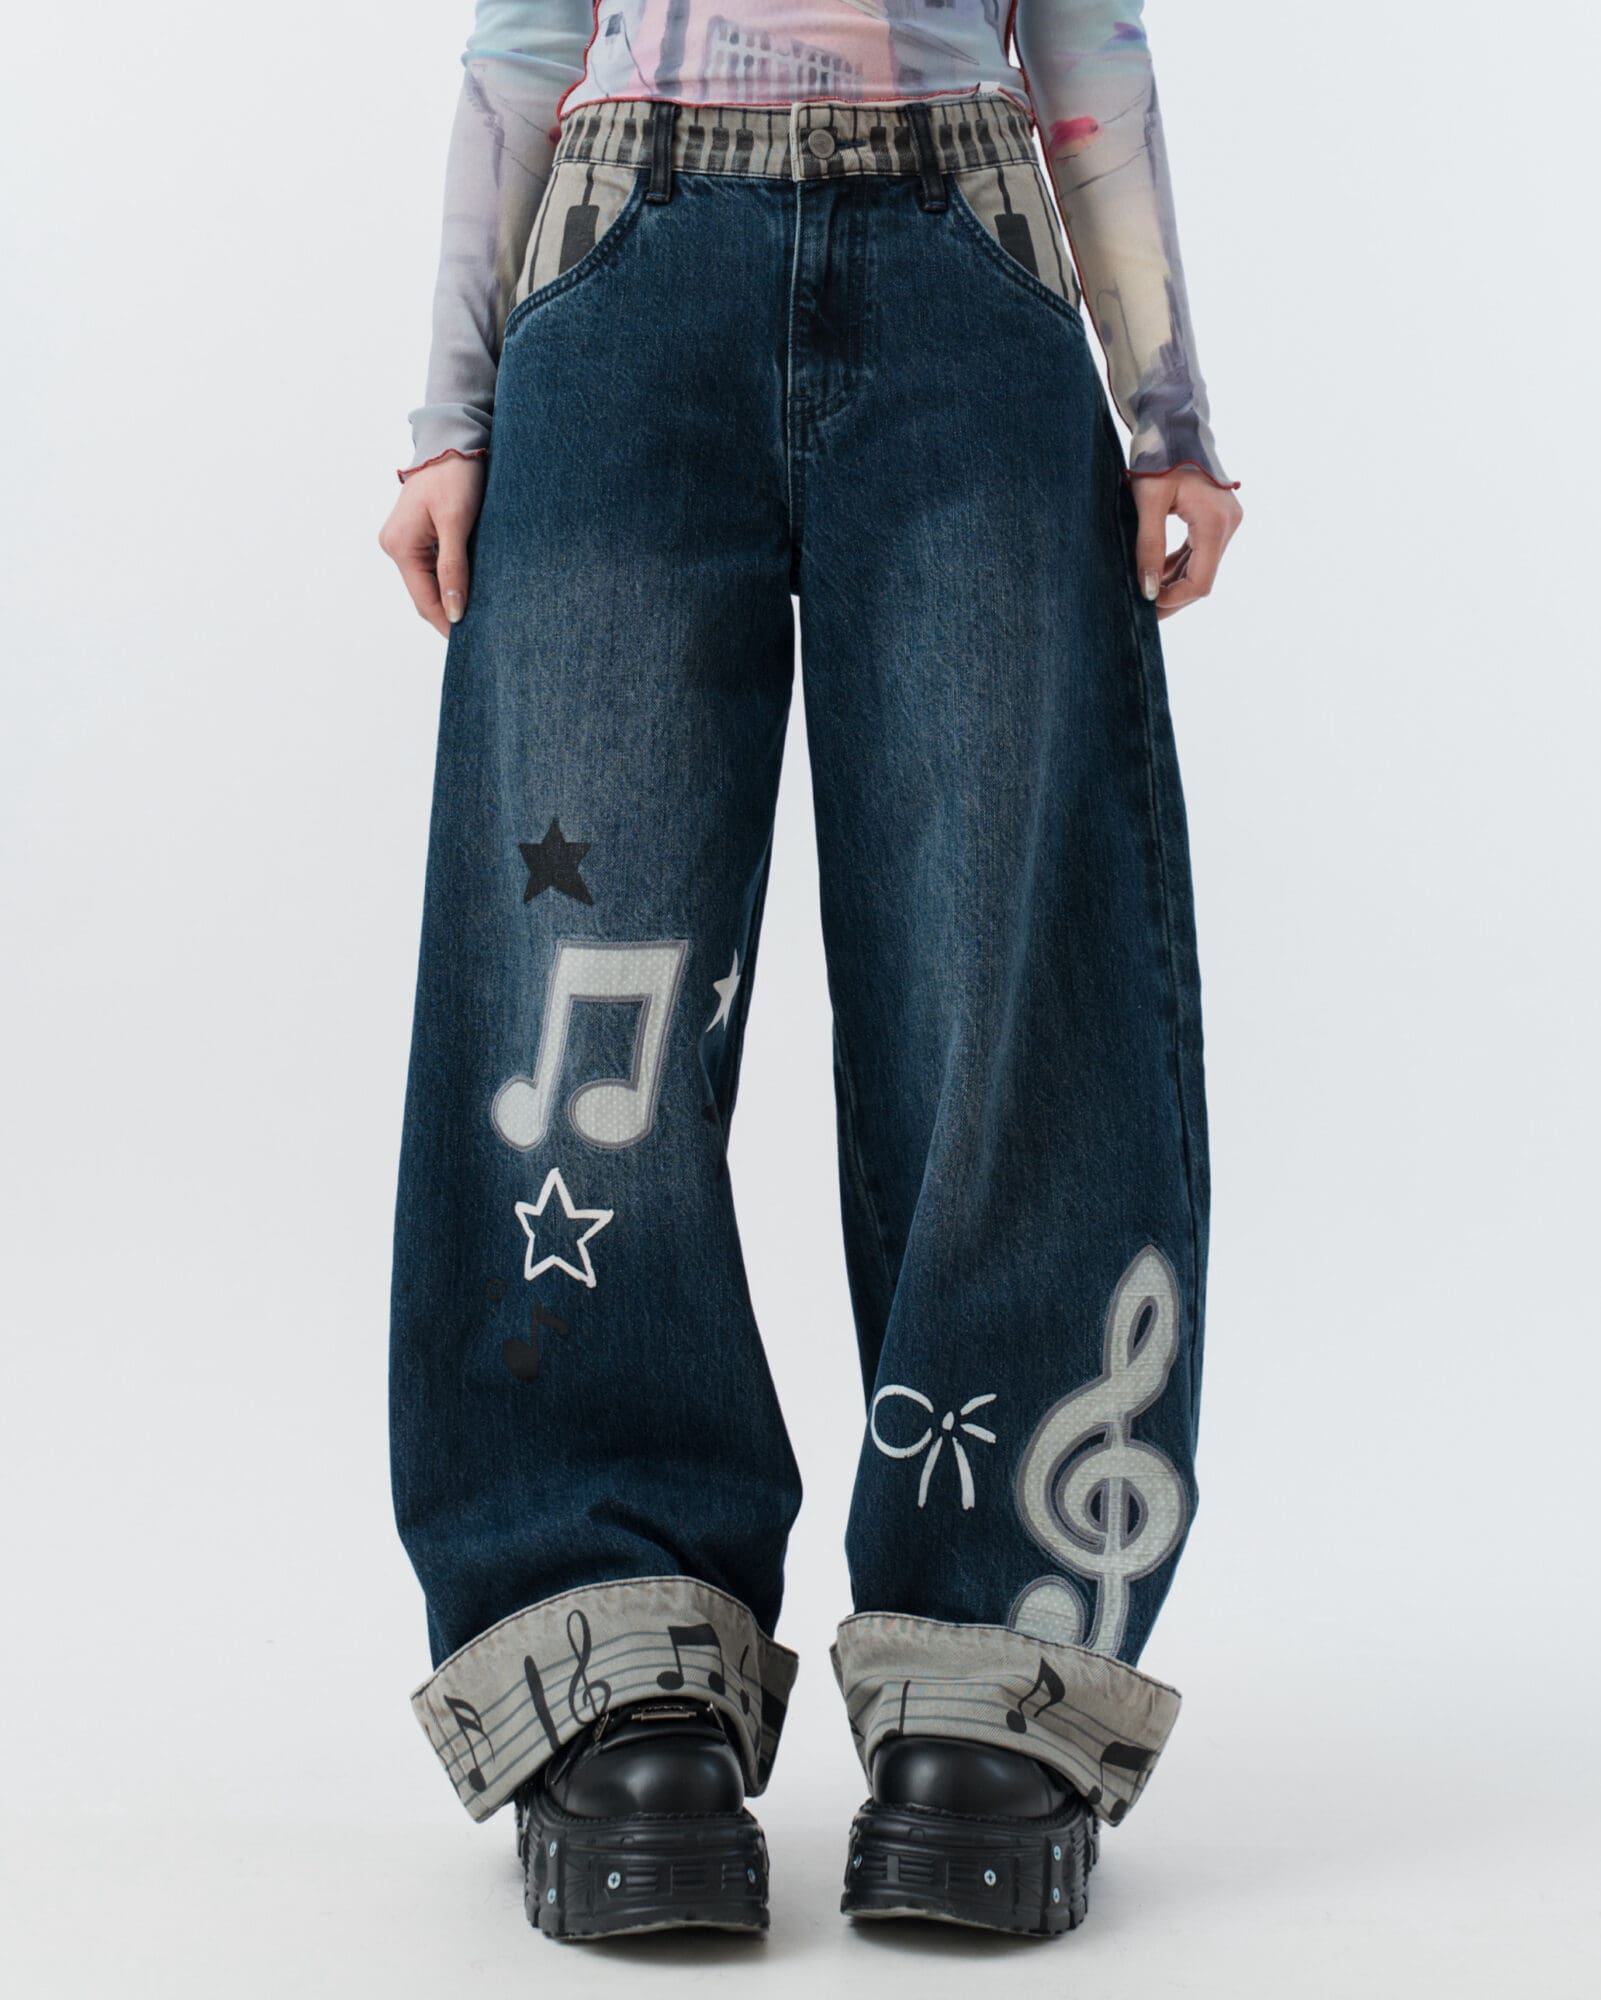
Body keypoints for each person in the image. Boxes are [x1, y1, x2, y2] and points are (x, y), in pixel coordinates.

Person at [378, 0, 1241, 1944]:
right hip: (619, 262)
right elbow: (523, 38)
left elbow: (1085, 34)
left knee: (1004, 969)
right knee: (579, 987)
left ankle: (997, 1654)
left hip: (968, 264)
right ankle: (608, 1643)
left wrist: (1169, 408)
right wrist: (447, 415)